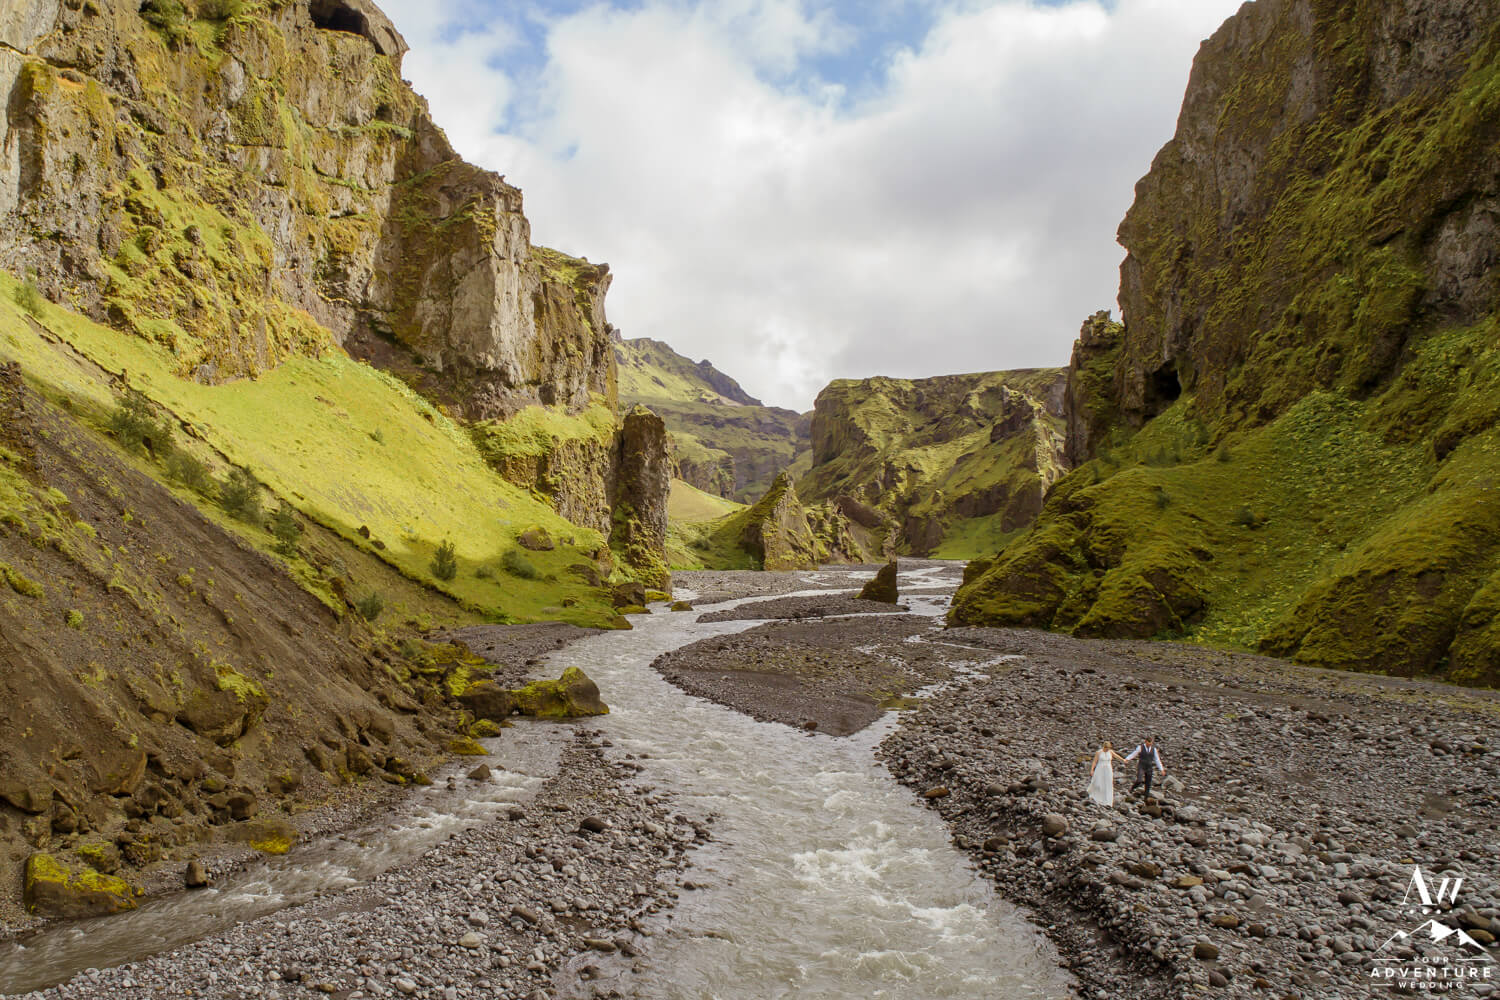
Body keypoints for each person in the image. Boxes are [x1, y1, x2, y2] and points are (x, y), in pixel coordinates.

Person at [1086, 741, 1127, 806]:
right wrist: (1092, 770)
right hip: (1100, 769)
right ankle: (1096, 796)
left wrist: (1123, 760)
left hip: (1108, 769)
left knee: (1108, 783)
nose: (1107, 749)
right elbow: (1094, 761)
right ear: (1104, 747)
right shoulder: (1098, 752)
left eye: (1108, 748)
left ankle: (1107, 800)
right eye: (1106, 748)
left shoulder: (1110, 752)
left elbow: (1117, 756)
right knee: (1098, 782)